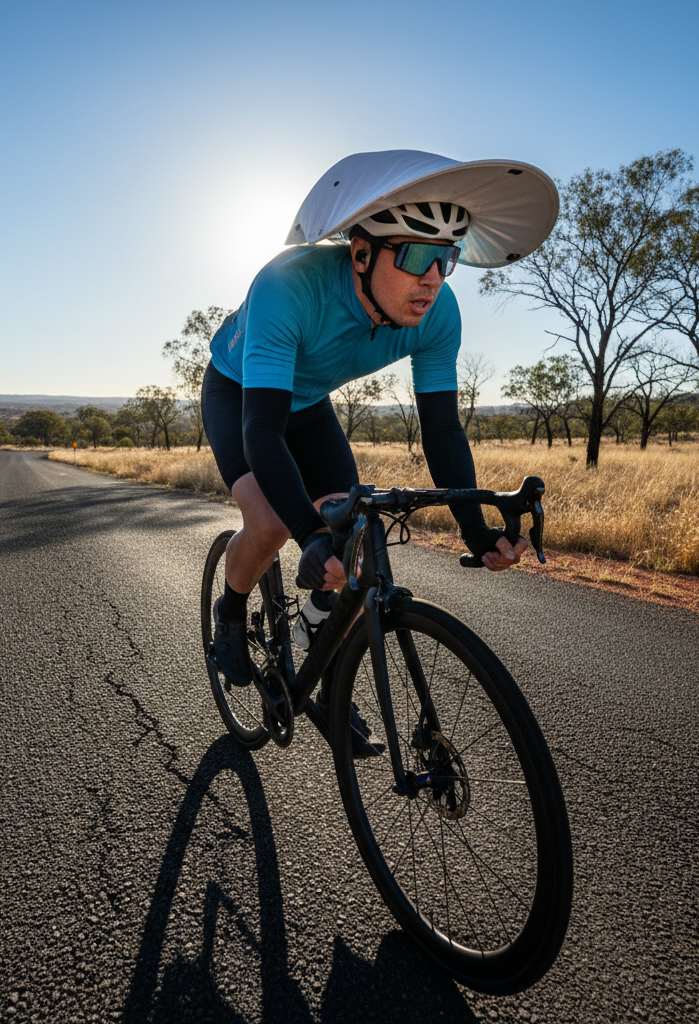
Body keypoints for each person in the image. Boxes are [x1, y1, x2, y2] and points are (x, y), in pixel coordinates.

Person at [200, 149, 559, 741]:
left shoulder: (439, 314)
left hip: (308, 402)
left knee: (356, 542)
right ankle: (231, 611)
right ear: (361, 253)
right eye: (416, 255)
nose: (433, 278)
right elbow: (261, 431)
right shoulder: (288, 286)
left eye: (446, 258)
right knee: (271, 524)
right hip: (241, 393)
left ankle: (322, 665)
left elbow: (442, 431)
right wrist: (309, 534)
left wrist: (474, 528)